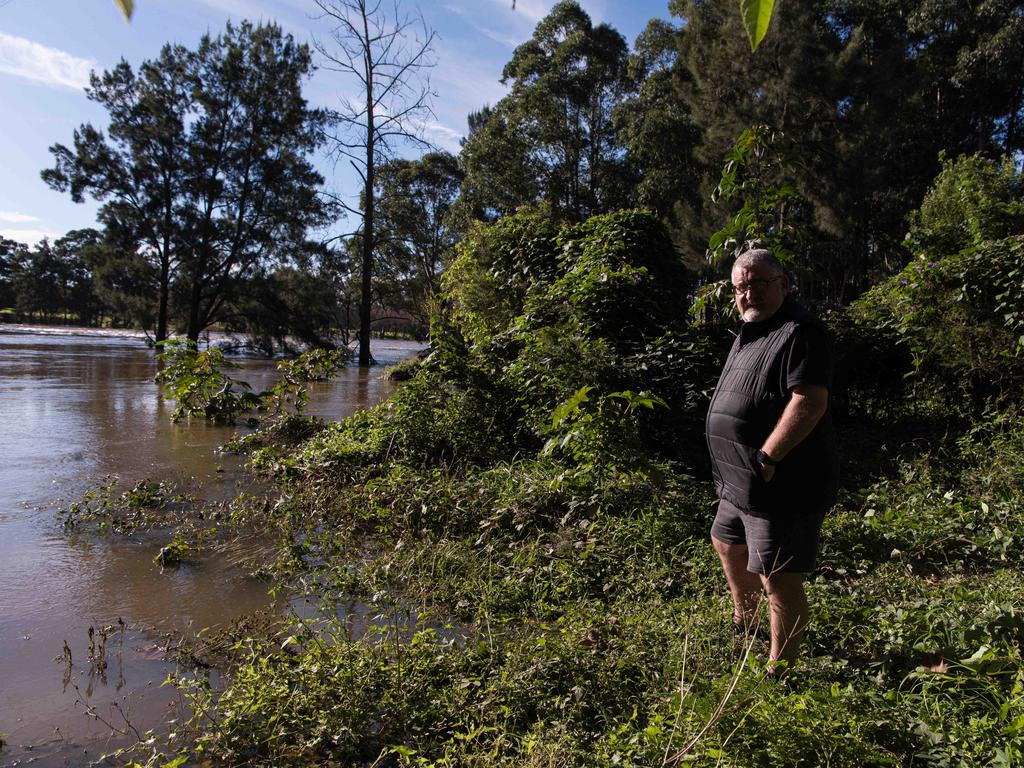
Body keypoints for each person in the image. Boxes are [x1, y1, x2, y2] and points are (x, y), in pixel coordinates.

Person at [705, 248, 838, 674]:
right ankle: (746, 623)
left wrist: (768, 454)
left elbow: (809, 401)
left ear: (783, 284)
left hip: (779, 480)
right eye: (741, 287)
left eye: (759, 284)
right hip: (738, 480)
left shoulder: (801, 332)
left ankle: (781, 668)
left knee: (778, 576)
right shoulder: (749, 332)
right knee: (726, 542)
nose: (749, 294)